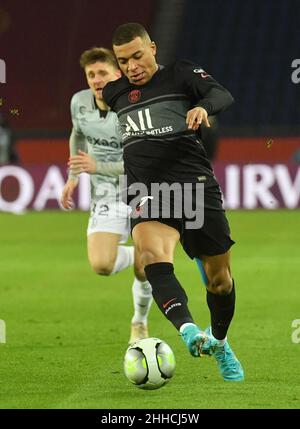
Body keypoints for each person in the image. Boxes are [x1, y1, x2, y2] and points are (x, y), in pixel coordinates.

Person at [103, 23, 244, 381]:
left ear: (152, 47)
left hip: (194, 187)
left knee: (220, 281)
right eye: (123, 61)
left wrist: (203, 108)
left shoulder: (181, 73)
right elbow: (88, 100)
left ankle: (220, 340)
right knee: (151, 256)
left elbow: (222, 95)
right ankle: (188, 331)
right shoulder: (114, 92)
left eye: (137, 55)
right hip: (147, 190)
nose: (132, 66)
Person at [60, 47, 153, 344]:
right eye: (91, 74)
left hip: (142, 191)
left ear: (117, 74)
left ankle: (139, 321)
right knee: (101, 265)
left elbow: (143, 161)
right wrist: (73, 177)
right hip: (106, 195)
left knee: (145, 269)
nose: (96, 79)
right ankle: (138, 254)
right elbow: (77, 134)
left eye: (102, 73)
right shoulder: (79, 102)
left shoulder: (134, 105)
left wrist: (96, 165)